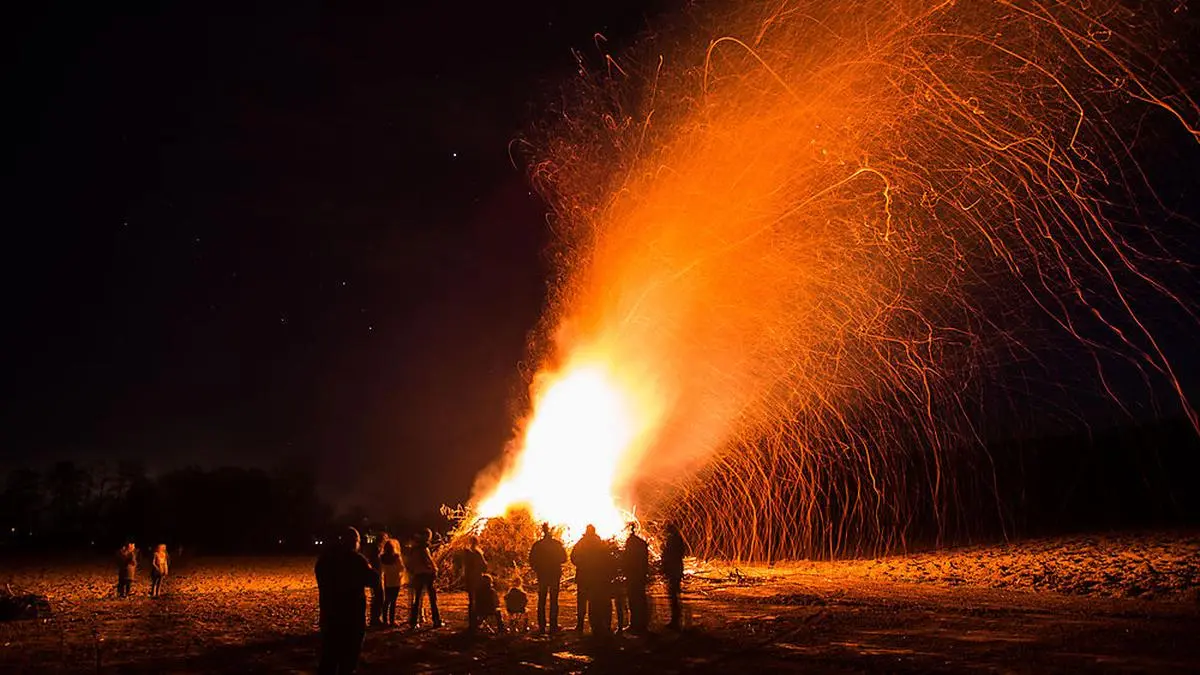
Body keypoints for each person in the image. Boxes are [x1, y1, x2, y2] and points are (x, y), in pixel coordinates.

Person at [314, 527, 377, 675]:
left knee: (328, 657)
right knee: (349, 658)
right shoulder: (356, 560)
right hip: (352, 617)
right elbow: (374, 580)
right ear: (355, 542)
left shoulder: (324, 560)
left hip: (329, 614)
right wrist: (370, 565)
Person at [570, 524, 611, 635]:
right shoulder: (599, 543)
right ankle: (596, 626)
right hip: (596, 577)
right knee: (595, 601)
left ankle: (580, 625)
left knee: (582, 602)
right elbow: (606, 559)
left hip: (583, 576)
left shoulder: (581, 543)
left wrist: (580, 564)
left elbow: (573, 556)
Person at [528, 522, 567, 633]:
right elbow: (564, 558)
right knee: (554, 600)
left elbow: (532, 560)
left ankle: (542, 626)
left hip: (542, 575)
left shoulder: (537, 545)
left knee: (542, 600)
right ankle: (553, 625)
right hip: (554, 574)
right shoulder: (556, 544)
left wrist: (538, 569)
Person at [407, 528, 443, 629]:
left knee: (417, 599)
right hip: (427, 575)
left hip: (417, 575)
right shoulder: (423, 548)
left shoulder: (414, 548)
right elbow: (428, 562)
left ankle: (413, 622)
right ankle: (436, 621)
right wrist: (435, 569)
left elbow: (410, 564)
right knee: (432, 599)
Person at [623, 523, 650, 633]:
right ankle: (642, 624)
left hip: (633, 575)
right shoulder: (642, 543)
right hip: (641, 575)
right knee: (641, 599)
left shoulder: (631, 543)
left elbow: (627, 559)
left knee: (633, 599)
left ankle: (634, 624)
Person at [660, 522, 688, 630]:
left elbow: (669, 555)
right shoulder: (678, 539)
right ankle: (676, 619)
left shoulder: (672, 540)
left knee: (673, 595)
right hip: (677, 569)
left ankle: (675, 621)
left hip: (674, 570)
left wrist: (664, 566)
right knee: (674, 594)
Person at [460, 535, 487, 632]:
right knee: (477, 600)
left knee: (471, 601)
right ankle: (476, 622)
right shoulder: (477, 553)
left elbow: (465, 567)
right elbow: (484, 566)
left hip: (469, 579)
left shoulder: (466, 553)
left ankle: (472, 622)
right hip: (476, 579)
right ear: (477, 542)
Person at [379, 539, 404, 626]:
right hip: (396, 581)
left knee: (386, 601)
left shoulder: (382, 558)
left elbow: (381, 570)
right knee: (393, 602)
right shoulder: (396, 557)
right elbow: (401, 568)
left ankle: (385, 620)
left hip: (387, 581)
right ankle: (392, 621)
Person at [364, 533, 385, 627]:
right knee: (379, 598)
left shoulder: (376, 550)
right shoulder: (376, 550)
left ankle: (375, 618)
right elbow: (376, 564)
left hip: (377, 576)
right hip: (376, 577)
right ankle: (375, 619)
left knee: (377, 598)